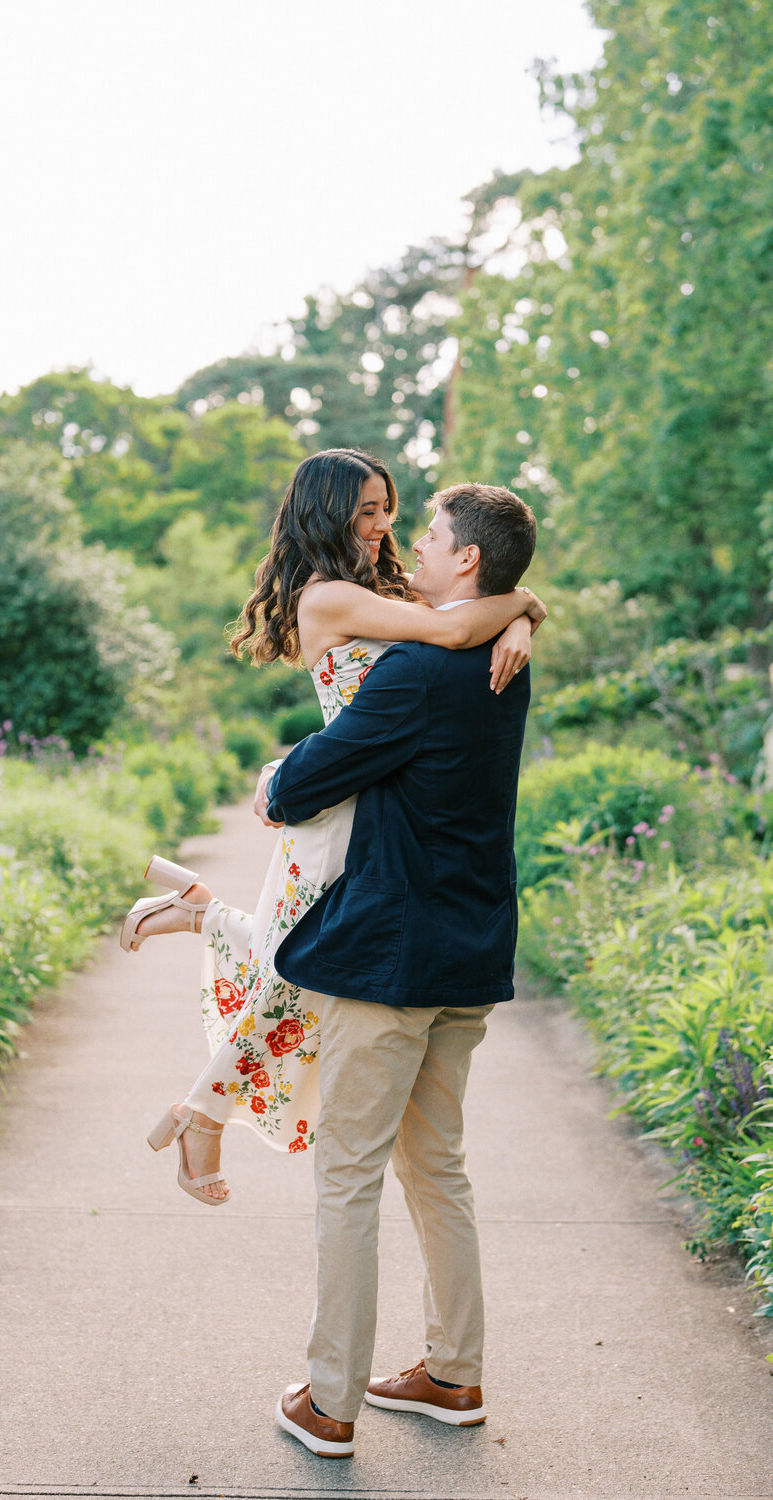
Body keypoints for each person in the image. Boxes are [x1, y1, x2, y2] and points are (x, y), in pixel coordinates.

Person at [120, 450, 544, 1206]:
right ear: (328, 514)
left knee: (307, 969)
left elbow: (465, 604)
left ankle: (201, 965)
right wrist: (523, 609)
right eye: (368, 513)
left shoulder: (386, 586)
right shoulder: (328, 597)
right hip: (329, 809)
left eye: (388, 509)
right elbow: (453, 634)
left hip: (378, 807)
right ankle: (202, 1109)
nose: (385, 527)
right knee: (298, 972)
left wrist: (525, 613)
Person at [264, 482, 538, 1459]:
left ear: (466, 560)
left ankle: (330, 1400)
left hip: (388, 963)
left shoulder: (415, 672)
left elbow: (303, 787)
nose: (413, 547)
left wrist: (268, 780)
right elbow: (483, 621)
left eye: (427, 535)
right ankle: (452, 1374)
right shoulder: (508, 663)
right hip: (469, 954)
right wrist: (525, 612)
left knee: (347, 1175)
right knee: (437, 1168)